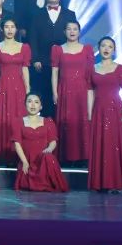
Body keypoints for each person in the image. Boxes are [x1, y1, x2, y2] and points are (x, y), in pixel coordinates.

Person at [87, 36, 122, 193]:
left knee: (114, 145)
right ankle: (100, 183)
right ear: (99, 48)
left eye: (110, 46)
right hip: (99, 111)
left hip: (116, 110)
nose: (106, 49)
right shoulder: (92, 69)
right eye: (103, 45)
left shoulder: (121, 68)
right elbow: (90, 92)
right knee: (100, 145)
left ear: (114, 50)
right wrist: (89, 114)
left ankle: (115, 183)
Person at [28, 0, 77, 114]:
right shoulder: (37, 14)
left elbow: (74, 36)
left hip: (64, 61)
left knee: (63, 93)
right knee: (44, 94)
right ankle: (46, 123)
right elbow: (33, 37)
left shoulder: (70, 14)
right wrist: (35, 59)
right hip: (43, 61)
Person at [51, 21, 93, 162]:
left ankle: (83, 156)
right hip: (65, 90)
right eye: (69, 29)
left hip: (82, 90)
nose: (72, 31)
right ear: (64, 32)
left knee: (82, 121)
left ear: (79, 32)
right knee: (66, 122)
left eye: (75, 29)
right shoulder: (58, 49)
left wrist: (91, 93)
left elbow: (90, 74)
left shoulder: (87, 49)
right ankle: (66, 157)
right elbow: (54, 72)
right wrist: (55, 92)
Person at [0, 18, 31, 160]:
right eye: (6, 27)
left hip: (19, 86)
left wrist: (28, 87)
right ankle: (3, 151)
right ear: (2, 29)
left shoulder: (24, 47)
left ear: (16, 29)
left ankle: (18, 152)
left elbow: (25, 69)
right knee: (2, 116)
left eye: (12, 27)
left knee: (18, 115)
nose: (9, 30)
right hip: (3, 86)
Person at [12, 93, 69, 192]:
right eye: (29, 101)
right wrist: (24, 161)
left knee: (48, 157)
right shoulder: (18, 122)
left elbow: (53, 141)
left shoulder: (48, 121)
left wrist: (49, 149)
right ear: (25, 105)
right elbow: (17, 144)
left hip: (43, 158)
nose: (33, 105)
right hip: (27, 160)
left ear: (41, 106)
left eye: (36, 102)